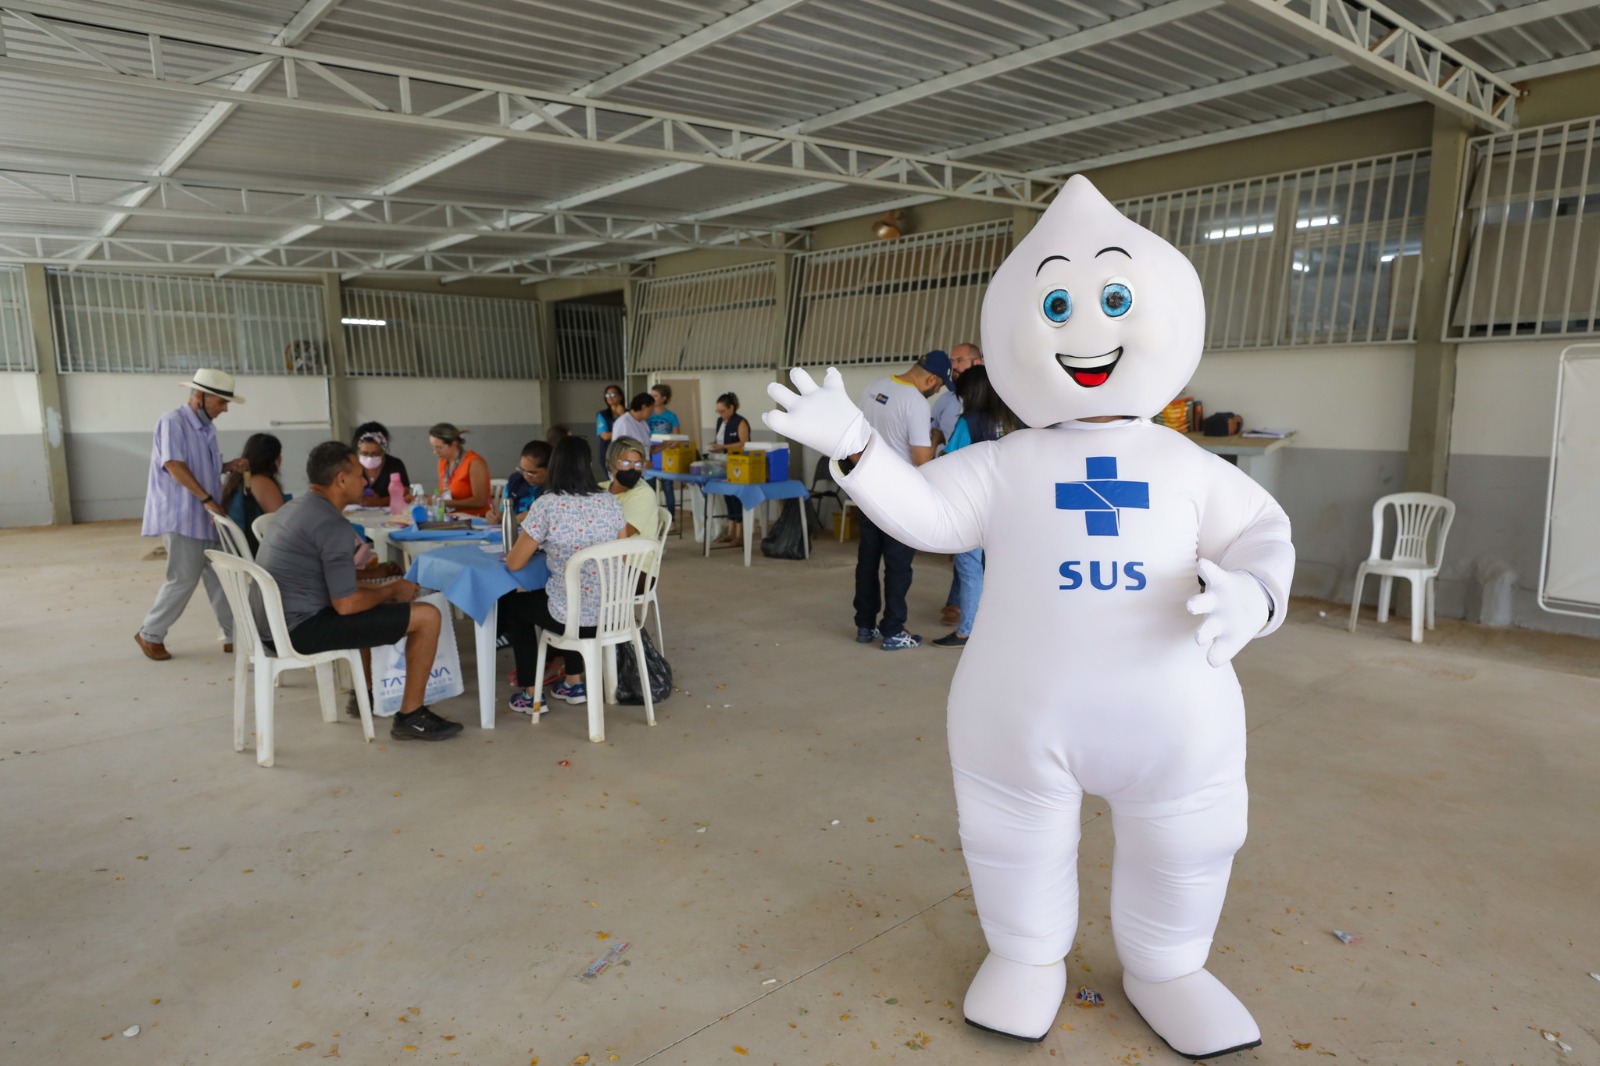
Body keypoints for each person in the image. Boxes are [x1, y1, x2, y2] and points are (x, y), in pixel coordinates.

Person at [764, 175, 1294, 1054]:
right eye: (1053, 305)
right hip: (1018, 718)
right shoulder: (1006, 463)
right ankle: (1025, 955)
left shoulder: (1186, 464)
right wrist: (853, 444)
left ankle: (1170, 966)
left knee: (1192, 842)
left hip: (1176, 718)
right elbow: (927, 513)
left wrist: (1255, 596)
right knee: (1011, 839)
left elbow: (1262, 533)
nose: (1085, 333)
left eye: (1115, 300)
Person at [255, 441, 461, 741]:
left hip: (271, 624)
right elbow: (347, 604)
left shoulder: (296, 508)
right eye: (359, 475)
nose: (364, 481)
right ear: (341, 479)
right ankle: (411, 716)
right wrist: (391, 591)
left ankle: (363, 692)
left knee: (368, 600)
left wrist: (381, 585)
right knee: (428, 616)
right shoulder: (331, 523)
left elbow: (339, 587)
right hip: (297, 629)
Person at [500, 436, 626, 713]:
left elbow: (515, 563)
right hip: (612, 615)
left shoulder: (547, 504)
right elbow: (624, 553)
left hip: (571, 616)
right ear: (589, 465)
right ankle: (573, 682)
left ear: (554, 466)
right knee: (569, 595)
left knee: (514, 605)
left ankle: (532, 694)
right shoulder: (610, 502)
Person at [134, 368, 250, 661]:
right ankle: (150, 634)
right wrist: (208, 499)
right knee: (183, 578)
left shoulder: (207, 427)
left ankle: (234, 635)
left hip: (207, 516)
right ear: (199, 396)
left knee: (221, 575)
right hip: (183, 516)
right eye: (221, 402)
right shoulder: (173, 421)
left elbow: (202, 465)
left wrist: (228, 466)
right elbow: (174, 465)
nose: (225, 409)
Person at [851, 352, 947, 650]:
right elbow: (922, 459)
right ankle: (893, 629)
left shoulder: (872, 387)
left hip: (868, 489)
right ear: (930, 379)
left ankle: (865, 625)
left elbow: (856, 439)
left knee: (867, 560)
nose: (938, 391)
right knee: (898, 565)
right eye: (939, 385)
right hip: (900, 495)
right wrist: (936, 436)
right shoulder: (916, 402)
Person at [930, 366, 1015, 650]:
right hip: (1011, 503)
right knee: (1001, 567)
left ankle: (967, 631)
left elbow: (952, 459)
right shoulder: (1014, 418)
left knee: (969, 567)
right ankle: (1002, 626)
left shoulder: (970, 421)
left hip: (974, 505)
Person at [930, 343, 983, 627]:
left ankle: (968, 625)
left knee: (970, 560)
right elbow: (934, 432)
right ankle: (957, 604)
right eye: (953, 361)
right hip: (962, 490)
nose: (955, 366)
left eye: (960, 360)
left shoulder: (996, 403)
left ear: (978, 362)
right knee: (968, 557)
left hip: (970, 493)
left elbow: (953, 454)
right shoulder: (946, 401)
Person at [222, 432, 288, 556]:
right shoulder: (260, 482)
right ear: (276, 459)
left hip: (235, 552)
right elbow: (281, 522)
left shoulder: (236, 481)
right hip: (254, 553)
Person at [708, 392, 751, 545]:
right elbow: (721, 438)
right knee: (728, 497)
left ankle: (740, 535)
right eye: (718, 411)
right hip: (722, 463)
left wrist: (723, 447)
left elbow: (744, 443)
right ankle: (730, 531)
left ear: (731, 408)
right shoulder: (720, 421)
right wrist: (714, 444)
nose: (721, 414)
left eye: (723, 411)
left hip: (737, 464)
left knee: (736, 497)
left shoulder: (740, 422)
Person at [603, 437, 663, 547]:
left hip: (632, 561)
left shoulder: (644, 494)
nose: (632, 469)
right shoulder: (602, 489)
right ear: (611, 465)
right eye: (626, 463)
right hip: (609, 555)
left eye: (638, 464)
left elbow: (621, 535)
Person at [427, 422, 491, 516]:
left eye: (438, 448)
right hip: (452, 518)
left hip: (476, 519)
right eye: (432, 448)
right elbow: (443, 492)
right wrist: (425, 498)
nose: (435, 452)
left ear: (454, 444)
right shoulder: (443, 462)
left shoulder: (475, 463)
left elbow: (480, 501)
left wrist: (443, 503)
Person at [351, 422, 410, 508]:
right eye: (365, 453)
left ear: (383, 450)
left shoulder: (394, 465)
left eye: (375, 454)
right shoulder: (350, 465)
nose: (369, 458)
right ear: (358, 449)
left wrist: (380, 502)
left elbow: (404, 493)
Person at [648, 383, 681, 518]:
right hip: (651, 453)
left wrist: (673, 444)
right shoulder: (647, 415)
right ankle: (651, 517)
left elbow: (677, 436)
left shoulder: (671, 416)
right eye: (651, 395)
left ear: (664, 398)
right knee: (649, 489)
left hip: (666, 456)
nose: (652, 398)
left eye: (655, 396)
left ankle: (671, 518)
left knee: (668, 488)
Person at [501, 439, 550, 522]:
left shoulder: (556, 491)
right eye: (522, 470)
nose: (526, 476)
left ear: (549, 469)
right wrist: (496, 516)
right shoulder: (515, 482)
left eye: (532, 473)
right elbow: (503, 512)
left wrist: (532, 515)